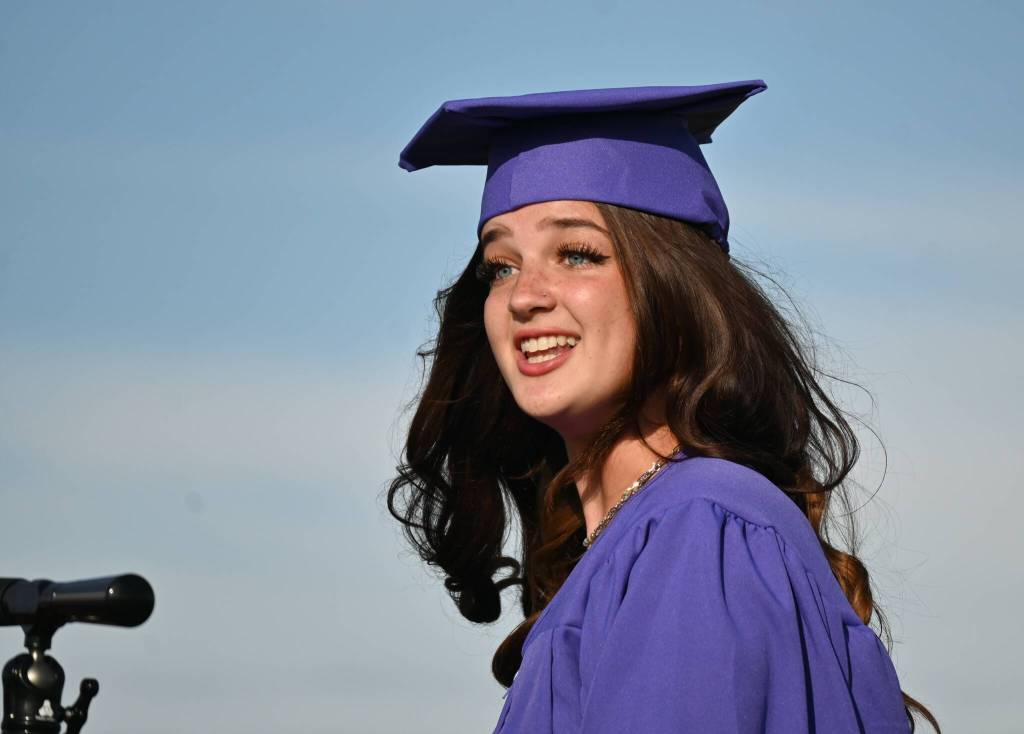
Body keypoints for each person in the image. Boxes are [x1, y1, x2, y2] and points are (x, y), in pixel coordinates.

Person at [388, 80, 941, 733]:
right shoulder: (643, 535)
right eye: (501, 266)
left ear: (676, 287)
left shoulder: (697, 524)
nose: (524, 296)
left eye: (578, 254)